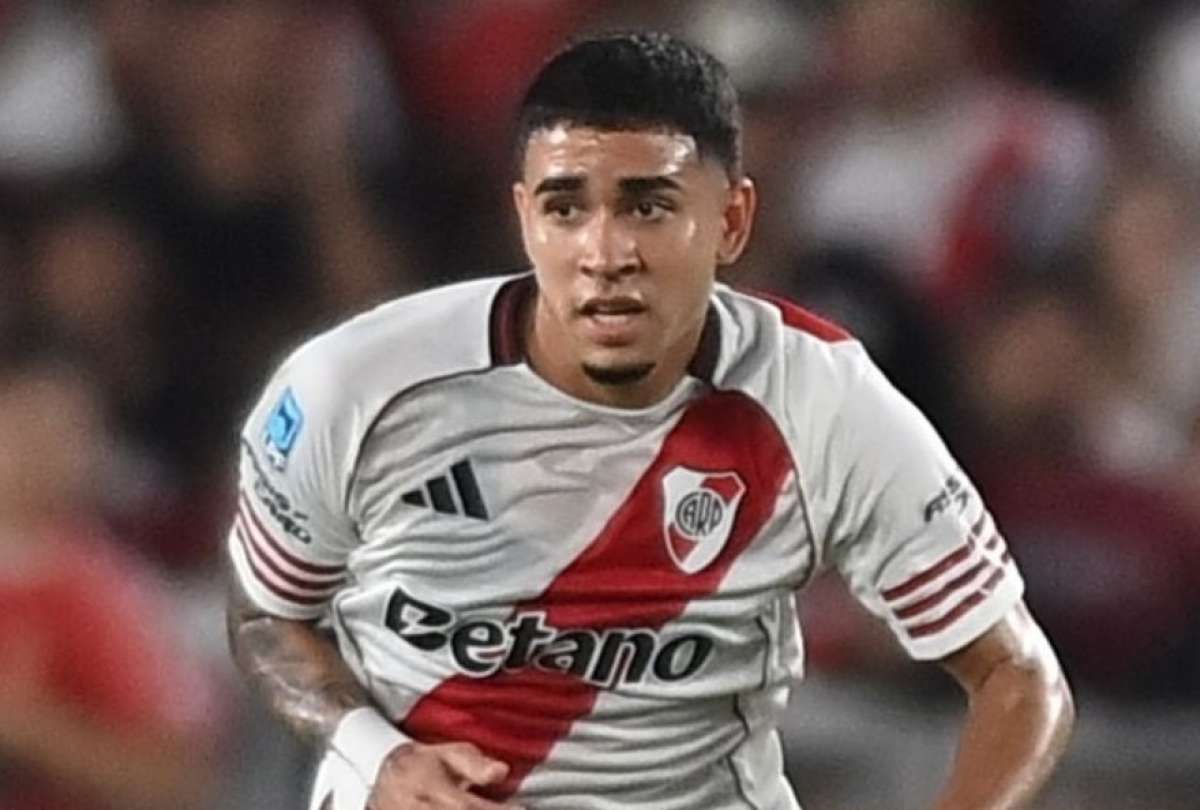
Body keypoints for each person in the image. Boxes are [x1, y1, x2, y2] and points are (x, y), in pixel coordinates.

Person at [225, 32, 1074, 810]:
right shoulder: (358, 387)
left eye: (648, 206)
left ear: (731, 221)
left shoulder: (820, 401)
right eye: (566, 208)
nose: (605, 253)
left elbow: (1020, 676)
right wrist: (377, 753)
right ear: (524, 218)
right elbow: (267, 616)